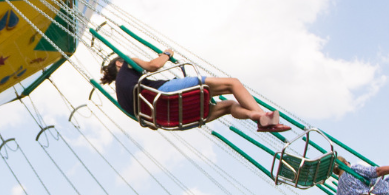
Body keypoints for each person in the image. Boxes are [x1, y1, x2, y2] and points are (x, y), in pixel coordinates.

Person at [100, 52, 290, 132]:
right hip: (166, 94)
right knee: (233, 84)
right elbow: (154, 65)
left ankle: (256, 117)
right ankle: (263, 118)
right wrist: (166, 54)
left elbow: (147, 124)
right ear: (119, 64)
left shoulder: (121, 99)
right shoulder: (126, 62)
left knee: (229, 106)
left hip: (172, 118)